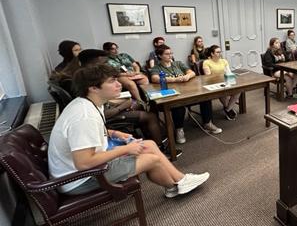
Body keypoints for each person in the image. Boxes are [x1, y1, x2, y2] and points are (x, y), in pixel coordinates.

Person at [47, 64, 210, 198]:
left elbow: (93, 133)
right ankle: (173, 187)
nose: (119, 84)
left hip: (84, 168)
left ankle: (181, 181)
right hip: (80, 180)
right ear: (93, 88)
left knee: (150, 145)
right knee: (152, 159)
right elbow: (83, 163)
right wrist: (125, 149)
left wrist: (116, 133)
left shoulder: (88, 103)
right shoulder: (84, 117)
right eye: (112, 82)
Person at [150, 45, 222, 143]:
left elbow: (192, 72)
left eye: (171, 53)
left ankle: (207, 123)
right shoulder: (157, 67)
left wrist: (187, 76)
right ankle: (179, 129)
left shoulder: (178, 63)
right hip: (172, 94)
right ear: (160, 55)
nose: (170, 55)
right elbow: (155, 78)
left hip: (186, 91)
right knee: (177, 104)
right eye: (167, 54)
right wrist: (174, 79)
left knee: (205, 97)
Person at [203, 45, 241, 121]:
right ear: (212, 54)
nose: (220, 53)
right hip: (213, 83)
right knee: (223, 92)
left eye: (220, 52)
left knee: (238, 90)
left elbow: (228, 72)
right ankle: (229, 109)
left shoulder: (224, 61)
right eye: (217, 52)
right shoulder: (206, 62)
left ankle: (227, 109)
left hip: (225, 81)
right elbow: (208, 76)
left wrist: (230, 76)